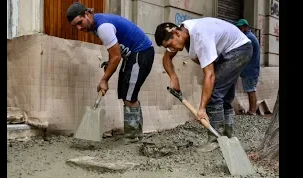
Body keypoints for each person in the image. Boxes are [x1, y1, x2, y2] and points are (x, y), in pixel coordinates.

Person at [154, 17, 252, 152]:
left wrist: (202, 108)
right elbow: (166, 58)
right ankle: (228, 135)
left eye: (171, 44)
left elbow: (209, 75)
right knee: (223, 95)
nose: (171, 48)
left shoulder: (200, 37)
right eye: (168, 47)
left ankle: (216, 139)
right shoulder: (183, 31)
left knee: (214, 93)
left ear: (177, 33)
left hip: (239, 50)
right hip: (231, 49)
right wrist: (173, 77)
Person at [66, 2, 155, 143]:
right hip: (131, 55)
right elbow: (114, 50)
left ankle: (132, 138)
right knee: (125, 92)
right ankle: (136, 135)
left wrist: (104, 80)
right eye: (75, 26)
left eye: (80, 22)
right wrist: (109, 64)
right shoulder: (95, 25)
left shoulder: (103, 27)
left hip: (141, 53)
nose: (79, 28)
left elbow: (116, 56)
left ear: (87, 14)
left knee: (129, 95)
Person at [236, 19, 260, 115]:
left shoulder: (248, 38)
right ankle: (252, 110)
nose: (239, 30)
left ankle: (252, 111)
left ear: (246, 27)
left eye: (240, 28)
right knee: (251, 90)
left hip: (250, 70)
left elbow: (244, 54)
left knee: (250, 90)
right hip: (251, 69)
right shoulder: (250, 37)